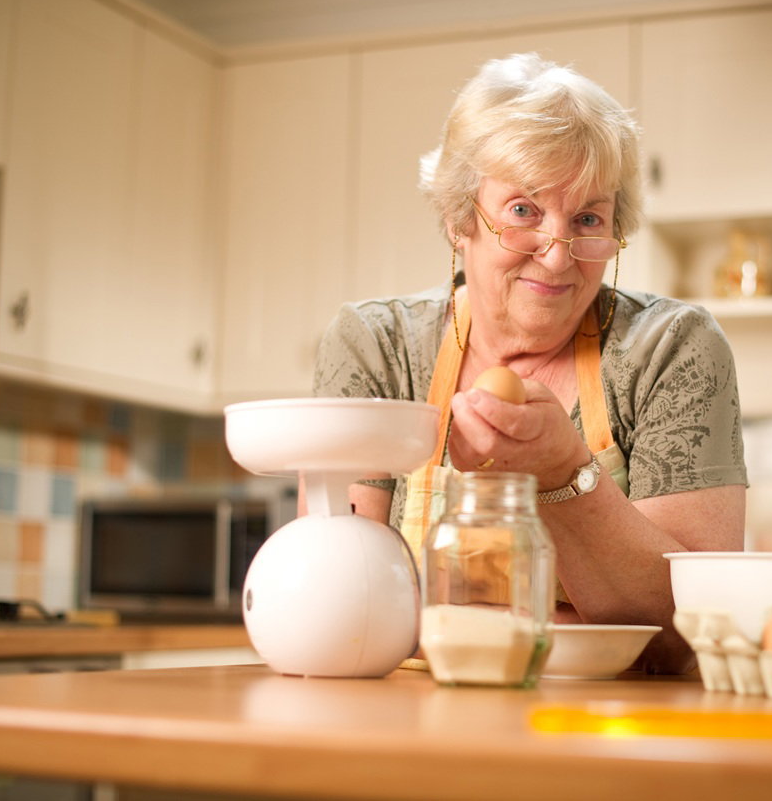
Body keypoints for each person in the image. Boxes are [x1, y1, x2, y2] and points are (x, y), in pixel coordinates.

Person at [314, 53, 747, 673]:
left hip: (607, 732)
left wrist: (564, 473)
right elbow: (343, 603)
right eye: (523, 210)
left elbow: (690, 633)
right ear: (459, 219)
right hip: (408, 722)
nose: (556, 255)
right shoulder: (376, 349)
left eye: (589, 219)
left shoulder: (671, 350)